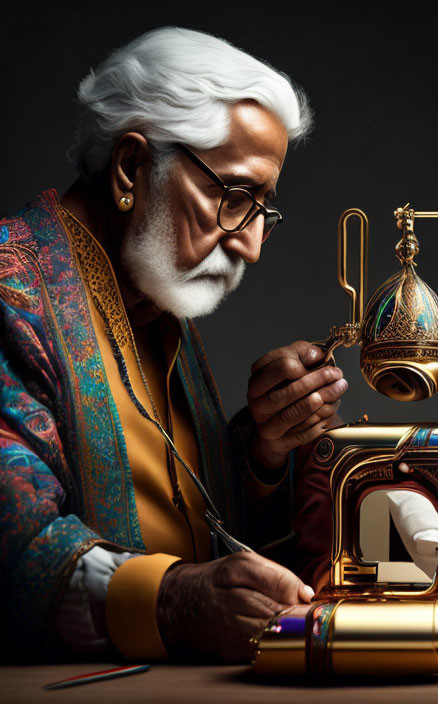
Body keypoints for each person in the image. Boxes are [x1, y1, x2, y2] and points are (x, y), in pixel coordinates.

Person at [0, 27, 347, 661]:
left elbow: (201, 528)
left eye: (262, 210)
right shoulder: (11, 290)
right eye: (235, 197)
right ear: (133, 166)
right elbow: (15, 546)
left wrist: (264, 453)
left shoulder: (156, 306)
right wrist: (172, 601)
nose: (248, 245)